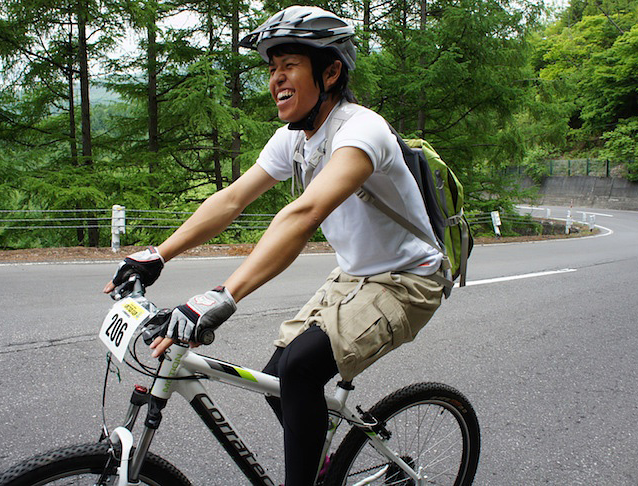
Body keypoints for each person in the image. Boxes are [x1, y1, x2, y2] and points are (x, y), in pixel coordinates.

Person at [103, 6, 445, 485]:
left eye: (289, 65)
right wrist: (158, 254)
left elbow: (303, 216)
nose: (276, 79)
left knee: (301, 369)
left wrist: (222, 294)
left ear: (330, 72)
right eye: (271, 68)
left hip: (411, 279)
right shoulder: (296, 139)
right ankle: (327, 462)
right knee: (276, 379)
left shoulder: (361, 131)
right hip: (356, 274)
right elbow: (232, 199)